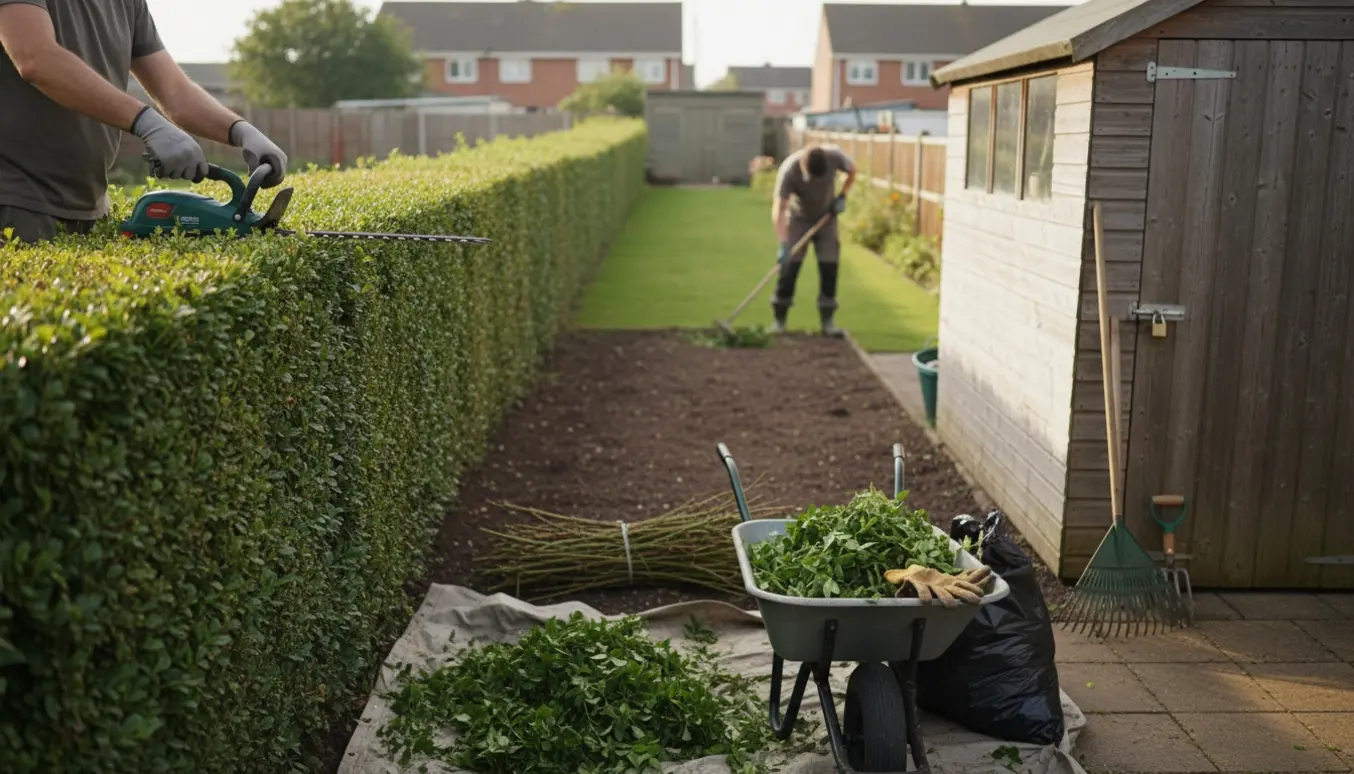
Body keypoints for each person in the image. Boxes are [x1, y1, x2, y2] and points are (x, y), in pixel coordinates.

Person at [0, 0, 288, 244]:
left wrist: (241, 132)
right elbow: (35, 57)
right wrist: (146, 122)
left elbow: (175, 91)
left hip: (90, 207)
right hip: (15, 203)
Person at [770, 142, 856, 338]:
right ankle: (779, 321)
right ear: (802, 165)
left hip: (826, 219)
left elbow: (852, 170)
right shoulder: (789, 170)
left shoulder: (835, 156)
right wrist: (783, 243)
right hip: (799, 221)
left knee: (829, 268)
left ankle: (828, 322)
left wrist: (842, 195)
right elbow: (779, 209)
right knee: (789, 269)